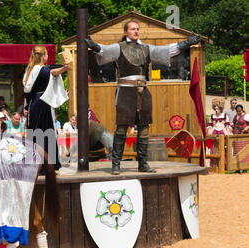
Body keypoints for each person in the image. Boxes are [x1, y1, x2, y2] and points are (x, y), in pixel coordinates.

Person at [85, 20, 201, 175]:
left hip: (143, 92)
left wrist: (186, 43)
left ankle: (143, 163)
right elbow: (103, 50)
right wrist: (94, 46)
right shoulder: (118, 48)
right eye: (132, 29)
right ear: (126, 32)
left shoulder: (146, 48)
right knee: (121, 128)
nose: (136, 31)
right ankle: (116, 164)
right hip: (125, 93)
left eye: (137, 29)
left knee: (144, 128)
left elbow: (166, 50)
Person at [23, 45, 71, 171]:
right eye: (47, 55)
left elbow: (27, 91)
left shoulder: (30, 70)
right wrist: (64, 68)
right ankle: (47, 165)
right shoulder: (41, 69)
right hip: (43, 102)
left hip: (34, 103)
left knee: (34, 131)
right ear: (43, 56)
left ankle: (33, 163)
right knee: (46, 132)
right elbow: (52, 73)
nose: (48, 57)